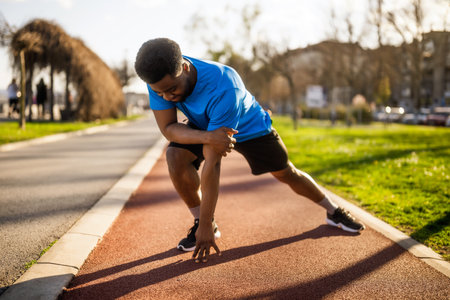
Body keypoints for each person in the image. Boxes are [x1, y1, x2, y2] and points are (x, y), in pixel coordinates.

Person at [134, 38, 365, 263]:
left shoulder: (223, 86)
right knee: (175, 156)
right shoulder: (158, 78)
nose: (166, 97)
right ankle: (203, 222)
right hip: (206, 125)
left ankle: (333, 211)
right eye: (160, 92)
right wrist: (204, 223)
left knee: (286, 173)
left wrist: (206, 227)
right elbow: (168, 128)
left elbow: (213, 164)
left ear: (184, 67)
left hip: (251, 128)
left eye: (171, 89)